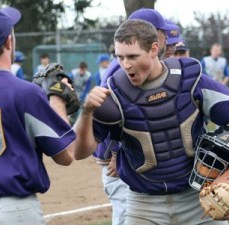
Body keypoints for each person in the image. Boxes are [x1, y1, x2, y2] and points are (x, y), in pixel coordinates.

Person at [73, 19, 229, 225]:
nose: (125, 64)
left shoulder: (189, 79)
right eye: (120, 57)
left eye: (133, 56)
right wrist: (86, 112)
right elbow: (80, 152)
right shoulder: (113, 93)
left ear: (154, 49)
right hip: (143, 204)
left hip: (199, 198)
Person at [0, 6, 76, 225]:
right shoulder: (24, 92)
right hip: (15, 210)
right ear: (8, 42)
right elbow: (66, 154)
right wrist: (58, 100)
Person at [92, 9, 176, 225]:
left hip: (125, 156)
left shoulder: (138, 66)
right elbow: (110, 113)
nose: (166, 38)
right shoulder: (119, 72)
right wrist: (116, 151)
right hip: (118, 158)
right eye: (162, 32)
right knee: (126, 215)